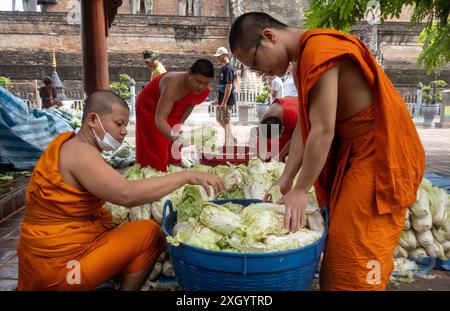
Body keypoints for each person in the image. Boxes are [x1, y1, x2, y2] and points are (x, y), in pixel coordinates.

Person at [229, 12, 425, 290]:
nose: (260, 73)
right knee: (338, 252)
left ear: (269, 37)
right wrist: (287, 176)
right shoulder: (302, 62)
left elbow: (322, 131)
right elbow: (305, 127)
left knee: (358, 250)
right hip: (355, 153)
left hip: (378, 153)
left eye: (255, 63)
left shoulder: (320, 50)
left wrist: (300, 189)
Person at [17, 90, 224, 291]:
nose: (124, 131)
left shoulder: (72, 145)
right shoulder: (80, 153)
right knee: (150, 234)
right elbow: (126, 194)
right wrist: (187, 176)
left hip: (43, 264)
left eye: (126, 124)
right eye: (118, 123)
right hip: (62, 272)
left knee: (125, 232)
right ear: (92, 120)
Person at [135, 59, 214, 171]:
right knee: (157, 148)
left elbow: (191, 103)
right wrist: (176, 139)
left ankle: (173, 171)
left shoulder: (202, 90)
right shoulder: (172, 85)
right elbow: (160, 120)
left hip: (174, 109)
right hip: (150, 108)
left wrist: (179, 124)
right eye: (198, 81)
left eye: (205, 83)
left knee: (174, 148)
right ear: (189, 74)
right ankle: (154, 178)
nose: (201, 87)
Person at [257, 97, 298, 162]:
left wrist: (281, 156)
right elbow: (261, 140)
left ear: (283, 129)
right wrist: (260, 160)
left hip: (295, 110)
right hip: (284, 108)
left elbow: (296, 139)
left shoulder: (294, 116)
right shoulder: (264, 122)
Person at [213, 47, 237, 145]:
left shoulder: (228, 68)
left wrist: (224, 102)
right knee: (218, 118)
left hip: (227, 100)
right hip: (222, 99)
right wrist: (218, 98)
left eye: (219, 56)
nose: (218, 58)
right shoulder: (223, 68)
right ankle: (232, 137)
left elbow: (229, 86)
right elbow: (222, 86)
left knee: (226, 121)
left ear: (224, 55)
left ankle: (228, 143)